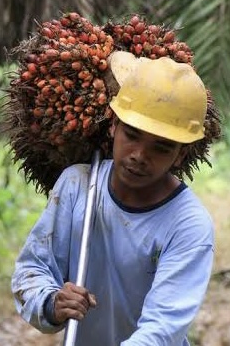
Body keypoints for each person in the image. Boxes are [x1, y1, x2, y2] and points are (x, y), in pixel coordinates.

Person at [11, 51, 215, 345]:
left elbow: (163, 328)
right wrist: (51, 303)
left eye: (161, 147)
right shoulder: (76, 186)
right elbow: (33, 269)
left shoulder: (189, 225)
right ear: (113, 125)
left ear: (180, 153)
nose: (139, 156)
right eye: (131, 134)